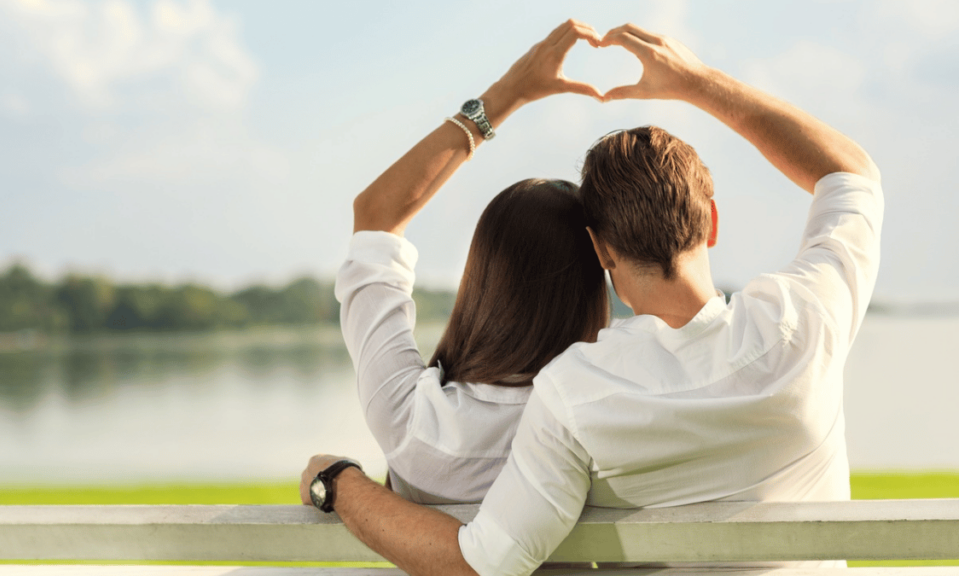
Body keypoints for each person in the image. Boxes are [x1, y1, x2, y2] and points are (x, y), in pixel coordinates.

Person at [299, 18, 883, 576]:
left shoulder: (576, 396)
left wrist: (503, 97)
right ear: (710, 222)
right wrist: (698, 83)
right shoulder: (804, 320)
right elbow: (850, 174)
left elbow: (486, 560)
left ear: (602, 252)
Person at [333, 22, 609, 504]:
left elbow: (376, 218)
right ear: (592, 286)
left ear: (483, 280)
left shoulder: (411, 420)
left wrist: (506, 95)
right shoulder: (606, 425)